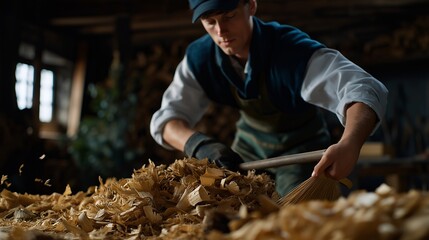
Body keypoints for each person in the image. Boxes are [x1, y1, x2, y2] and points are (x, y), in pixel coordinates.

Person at [150, 0, 388, 196]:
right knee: (223, 211)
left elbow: (362, 88)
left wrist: (351, 143)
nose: (221, 32)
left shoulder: (291, 50)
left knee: (295, 219)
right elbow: (167, 120)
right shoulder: (199, 58)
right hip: (247, 147)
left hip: (301, 149)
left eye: (229, 16)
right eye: (210, 22)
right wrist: (199, 145)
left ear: (251, 6)